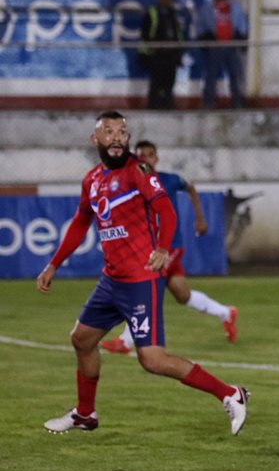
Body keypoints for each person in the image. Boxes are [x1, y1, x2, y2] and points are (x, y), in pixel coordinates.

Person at [36, 111, 248, 435]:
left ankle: (231, 394)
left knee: (152, 360)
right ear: (96, 140)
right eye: (109, 132)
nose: (117, 137)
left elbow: (165, 208)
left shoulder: (139, 170)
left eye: (123, 131)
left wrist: (162, 247)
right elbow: (80, 222)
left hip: (141, 279)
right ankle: (85, 414)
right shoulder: (92, 180)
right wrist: (53, 263)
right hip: (111, 280)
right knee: (81, 339)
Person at [101, 140, 237, 355]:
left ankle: (126, 342)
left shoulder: (169, 180)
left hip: (168, 246)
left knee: (142, 286)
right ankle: (226, 313)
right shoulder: (133, 183)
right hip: (147, 247)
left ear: (156, 158)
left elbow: (190, 187)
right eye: (141, 155)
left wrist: (199, 219)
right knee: (183, 295)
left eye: (150, 154)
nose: (145, 158)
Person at [196, 0, 248, 109]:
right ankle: (208, 102)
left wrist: (242, 37)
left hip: (231, 45)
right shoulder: (207, 7)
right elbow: (200, 25)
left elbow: (242, 24)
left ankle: (237, 102)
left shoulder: (234, 7)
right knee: (211, 75)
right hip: (215, 46)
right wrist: (204, 36)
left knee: (235, 75)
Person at [139, 0, 185, 110]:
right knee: (156, 84)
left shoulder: (173, 14)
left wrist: (180, 50)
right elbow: (145, 33)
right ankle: (153, 107)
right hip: (157, 55)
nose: (163, 0)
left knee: (169, 84)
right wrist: (151, 47)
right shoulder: (152, 13)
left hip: (171, 55)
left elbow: (178, 34)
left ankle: (168, 107)